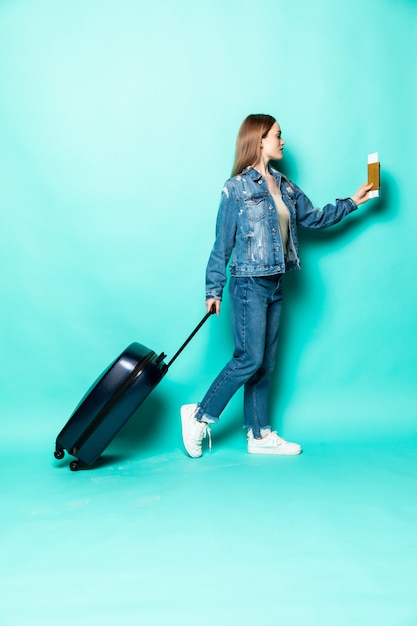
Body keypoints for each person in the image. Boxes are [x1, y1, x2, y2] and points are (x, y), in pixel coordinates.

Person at [180, 113, 374, 458]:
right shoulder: (236, 188)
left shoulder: (283, 184)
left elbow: (313, 218)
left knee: (265, 364)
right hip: (248, 284)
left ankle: (259, 434)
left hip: (276, 283)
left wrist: (354, 201)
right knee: (249, 359)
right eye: (277, 135)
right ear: (259, 140)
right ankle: (198, 415)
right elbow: (221, 245)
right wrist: (213, 291)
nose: (282, 141)